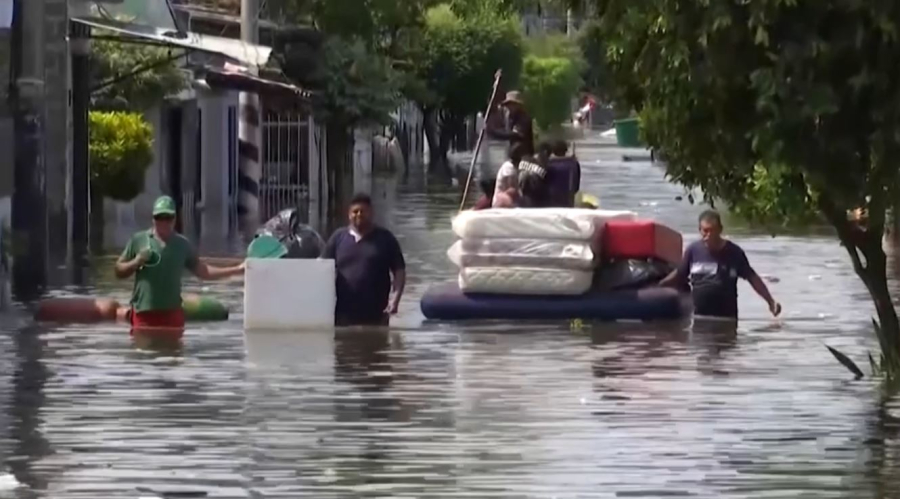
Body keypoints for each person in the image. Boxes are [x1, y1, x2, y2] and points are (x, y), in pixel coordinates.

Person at [115, 195, 245, 333]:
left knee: (174, 352)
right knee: (143, 352)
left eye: (168, 218)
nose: (164, 222)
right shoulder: (139, 240)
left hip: (172, 315)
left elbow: (204, 271)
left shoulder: (182, 244)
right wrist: (135, 262)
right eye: (160, 218)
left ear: (175, 219)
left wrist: (237, 269)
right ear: (153, 219)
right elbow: (118, 270)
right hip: (144, 314)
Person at [659, 210, 782, 320]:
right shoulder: (693, 250)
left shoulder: (734, 252)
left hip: (726, 318)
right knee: (697, 344)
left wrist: (770, 302)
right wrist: (659, 285)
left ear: (720, 229)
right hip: (700, 317)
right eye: (705, 231)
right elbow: (680, 274)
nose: (709, 235)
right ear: (699, 230)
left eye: (713, 231)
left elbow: (753, 278)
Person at [322, 193, 406, 326]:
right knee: (342, 346)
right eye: (355, 211)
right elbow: (322, 268)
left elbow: (399, 271)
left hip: (377, 314)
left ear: (371, 213)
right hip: (343, 315)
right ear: (349, 214)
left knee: (378, 345)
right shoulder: (338, 238)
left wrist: (394, 300)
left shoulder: (385, 238)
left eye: (363, 211)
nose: (359, 214)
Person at [488, 90, 535, 157]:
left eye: (511, 104)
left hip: (524, 156)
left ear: (518, 105)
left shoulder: (523, 118)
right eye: (508, 104)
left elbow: (513, 135)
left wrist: (493, 132)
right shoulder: (510, 117)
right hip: (514, 155)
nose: (509, 107)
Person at [544, 139, 582, 207]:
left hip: (550, 200)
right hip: (568, 200)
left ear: (553, 152)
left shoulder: (547, 164)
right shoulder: (574, 164)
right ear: (566, 151)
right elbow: (576, 186)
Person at [492, 142, 527, 207]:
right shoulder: (509, 167)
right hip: (502, 199)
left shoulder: (515, 167)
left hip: (509, 198)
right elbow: (511, 189)